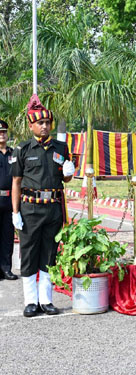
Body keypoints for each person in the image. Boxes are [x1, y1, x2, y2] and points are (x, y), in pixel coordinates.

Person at [11, 94, 75, 317]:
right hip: (30, 209)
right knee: (29, 253)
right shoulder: (23, 149)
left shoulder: (61, 147)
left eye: (48, 122)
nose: (45, 126)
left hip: (53, 208)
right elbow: (16, 182)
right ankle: (30, 301)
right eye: (40, 123)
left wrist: (69, 174)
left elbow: (65, 179)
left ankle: (46, 300)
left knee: (49, 253)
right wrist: (15, 212)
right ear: (31, 126)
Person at [0, 119, 17, 281]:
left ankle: (6, 269)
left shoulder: (13, 154)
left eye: (4, 132)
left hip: (10, 200)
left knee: (7, 236)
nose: (2, 135)